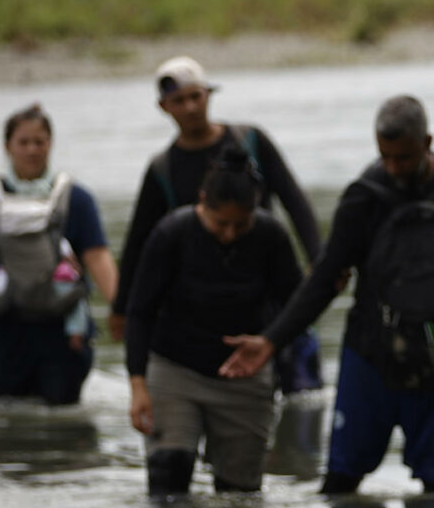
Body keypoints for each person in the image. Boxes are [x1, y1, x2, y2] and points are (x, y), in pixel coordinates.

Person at [218, 95, 434, 495]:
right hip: (372, 357)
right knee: (340, 485)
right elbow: (324, 280)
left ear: (428, 143)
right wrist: (271, 340)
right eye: (385, 157)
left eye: (404, 158)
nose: (393, 168)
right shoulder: (365, 197)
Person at [109, 56, 325, 393]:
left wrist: (318, 258)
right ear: (165, 107)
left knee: (300, 391)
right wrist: (122, 308)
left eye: (196, 96)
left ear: (209, 95)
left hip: (263, 281)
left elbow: (293, 199)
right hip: (198, 293)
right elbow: (139, 241)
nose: (191, 107)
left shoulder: (250, 141)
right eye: (179, 100)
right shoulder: (163, 169)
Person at [125, 148, 304, 495]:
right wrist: (137, 384)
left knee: (240, 499)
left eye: (241, 224)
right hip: (175, 369)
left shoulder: (270, 236)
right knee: (168, 484)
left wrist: (270, 341)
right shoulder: (171, 234)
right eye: (220, 223)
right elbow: (139, 311)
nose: (230, 233)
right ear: (202, 200)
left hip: (246, 375)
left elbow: (298, 305)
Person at [0, 103, 119, 406]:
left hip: (64, 326)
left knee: (62, 415)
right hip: (5, 325)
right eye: (24, 142)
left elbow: (97, 256)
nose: (32, 150)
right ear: (8, 146)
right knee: (0, 413)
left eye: (39, 142)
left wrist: (119, 308)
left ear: (51, 144)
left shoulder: (76, 199)